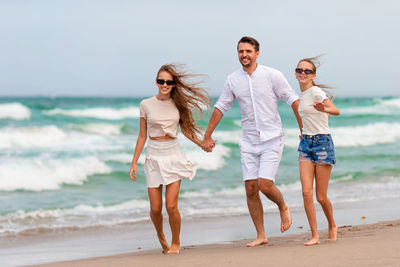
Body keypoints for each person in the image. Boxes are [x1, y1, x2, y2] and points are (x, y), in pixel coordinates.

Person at [201, 36, 303, 247]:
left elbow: (292, 99)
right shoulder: (232, 79)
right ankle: (261, 234)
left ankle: (283, 206)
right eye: (241, 51)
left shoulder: (272, 75)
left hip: (272, 137)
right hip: (248, 140)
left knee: (264, 185)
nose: (244, 55)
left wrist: (305, 128)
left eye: (248, 51)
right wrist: (207, 135)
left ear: (257, 53)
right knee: (250, 188)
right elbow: (221, 106)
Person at [129, 64, 211, 254]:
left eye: (168, 82)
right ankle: (161, 236)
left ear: (174, 84)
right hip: (154, 156)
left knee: (171, 206)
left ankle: (176, 242)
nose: (164, 84)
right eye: (161, 81)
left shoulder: (178, 105)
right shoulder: (146, 105)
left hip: (173, 154)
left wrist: (202, 144)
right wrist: (134, 163)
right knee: (156, 209)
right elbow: (142, 135)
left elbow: (187, 132)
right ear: (156, 82)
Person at [295, 56, 340, 245]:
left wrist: (324, 109)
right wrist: (303, 133)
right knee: (306, 192)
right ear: (296, 74)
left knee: (321, 196)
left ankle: (332, 225)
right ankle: (314, 235)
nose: (303, 73)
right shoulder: (301, 96)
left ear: (313, 75)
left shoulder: (315, 91)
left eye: (307, 71)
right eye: (300, 70)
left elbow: (336, 110)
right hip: (305, 144)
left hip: (322, 143)